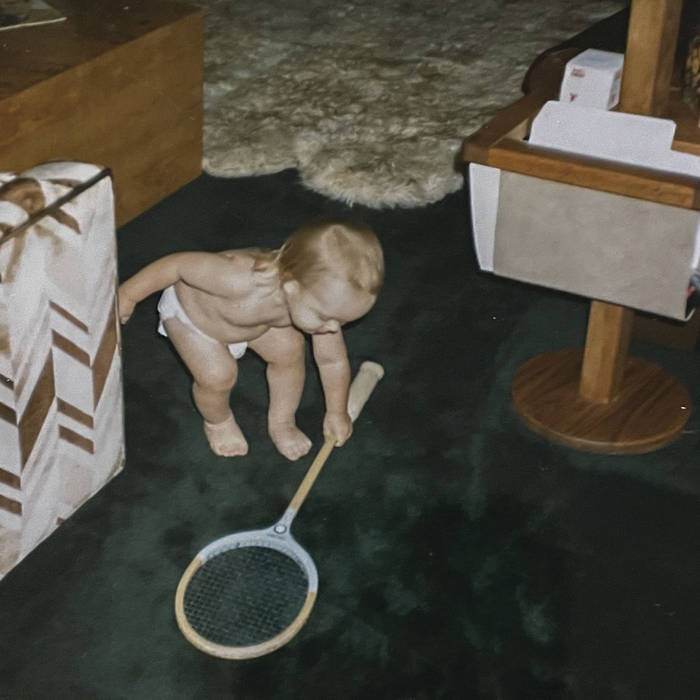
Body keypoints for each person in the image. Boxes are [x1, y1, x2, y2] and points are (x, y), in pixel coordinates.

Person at [118, 219, 384, 460]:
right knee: (218, 376)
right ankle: (218, 421)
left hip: (255, 323)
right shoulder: (237, 277)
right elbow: (176, 266)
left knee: (290, 350)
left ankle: (282, 421)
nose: (334, 327)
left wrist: (337, 411)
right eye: (326, 317)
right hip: (194, 320)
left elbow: (332, 361)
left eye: (343, 321)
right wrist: (128, 295)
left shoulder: (317, 306)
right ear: (291, 287)